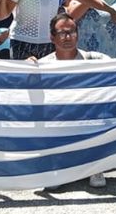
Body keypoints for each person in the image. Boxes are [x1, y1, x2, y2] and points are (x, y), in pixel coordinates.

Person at [33, 13, 108, 188]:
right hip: (59, 123)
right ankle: (55, 167)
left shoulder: (95, 60)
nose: (68, 37)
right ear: (52, 37)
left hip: (87, 121)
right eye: (62, 33)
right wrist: (27, 69)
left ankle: (95, 166)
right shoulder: (42, 65)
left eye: (72, 32)